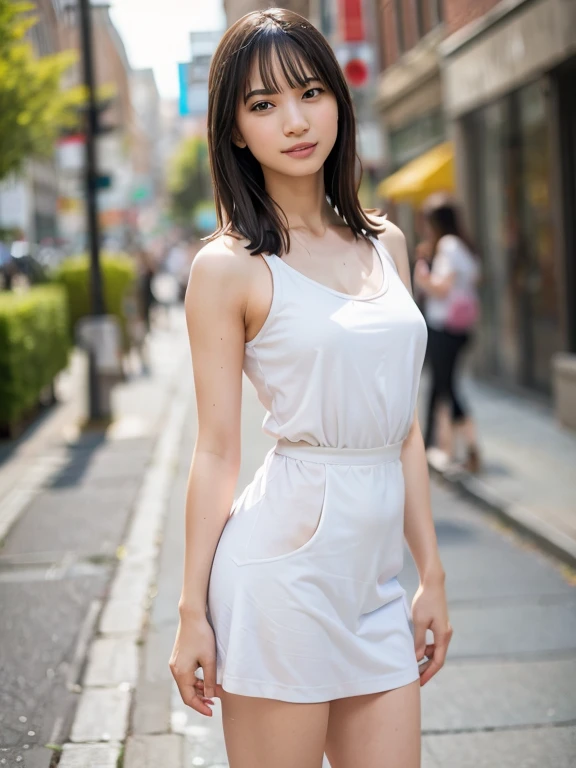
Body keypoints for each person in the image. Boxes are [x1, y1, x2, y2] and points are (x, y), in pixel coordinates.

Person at [169, 10, 452, 768]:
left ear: (339, 101)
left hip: (377, 587)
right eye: (262, 106)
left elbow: (404, 431)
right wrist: (192, 612)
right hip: (281, 579)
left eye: (311, 92)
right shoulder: (229, 268)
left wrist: (431, 574)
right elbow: (217, 451)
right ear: (234, 131)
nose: (294, 121)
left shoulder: (384, 244)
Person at [413, 197, 481, 473]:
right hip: (454, 328)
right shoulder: (460, 245)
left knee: (447, 389)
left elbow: (442, 288)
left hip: (446, 328)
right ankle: (449, 450)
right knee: (444, 388)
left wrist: (421, 276)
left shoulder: (449, 246)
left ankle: (472, 450)